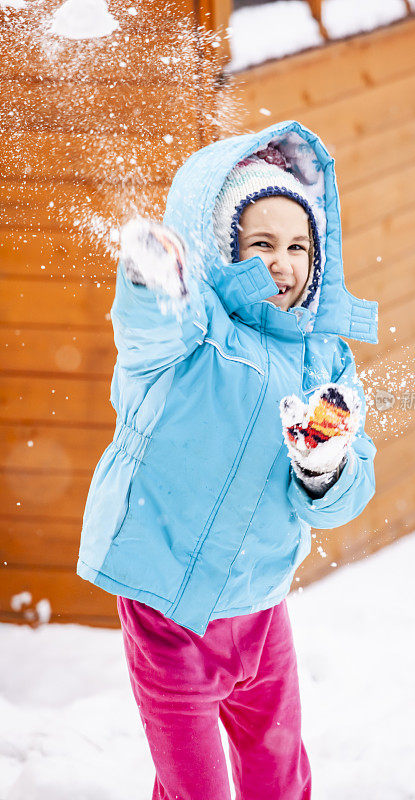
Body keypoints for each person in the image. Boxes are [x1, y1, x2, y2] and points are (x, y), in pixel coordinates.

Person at [77, 120, 378, 800]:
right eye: (261, 242)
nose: (283, 261)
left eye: (299, 245)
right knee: (195, 790)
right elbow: (151, 326)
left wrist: (325, 471)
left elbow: (348, 475)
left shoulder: (323, 360)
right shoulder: (191, 334)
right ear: (222, 249)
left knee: (280, 776)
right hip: (168, 612)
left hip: (261, 609)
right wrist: (152, 278)